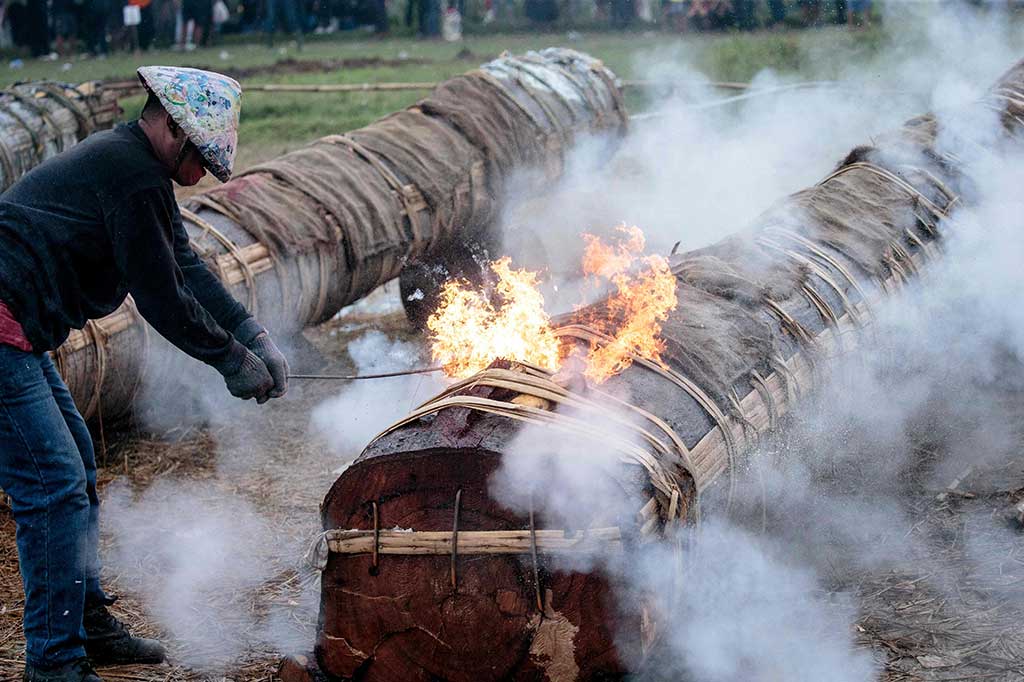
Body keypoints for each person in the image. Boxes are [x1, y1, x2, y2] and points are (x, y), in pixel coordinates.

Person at [0, 66, 288, 682]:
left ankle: (87, 624)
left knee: (74, 462)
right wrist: (231, 361)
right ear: (173, 129)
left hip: (19, 332)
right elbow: (159, 296)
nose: (199, 177)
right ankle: (54, 663)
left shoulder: (135, 167)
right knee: (53, 484)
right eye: (199, 163)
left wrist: (250, 331)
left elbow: (182, 260)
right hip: (2, 330)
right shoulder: (131, 173)